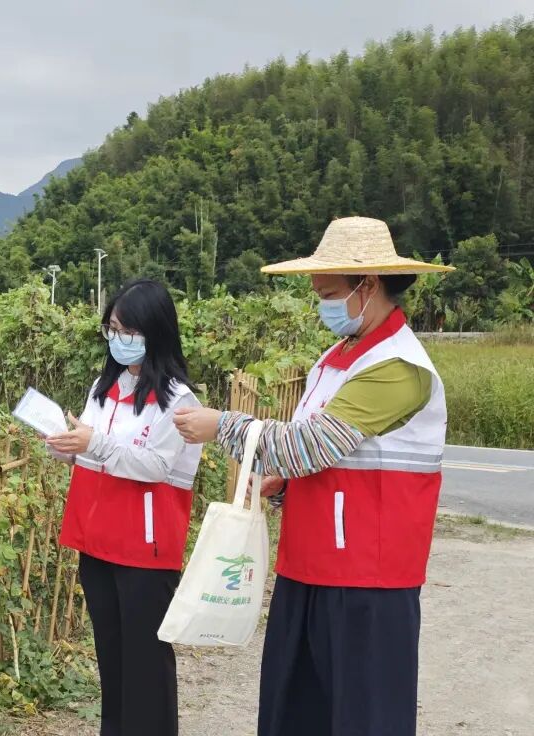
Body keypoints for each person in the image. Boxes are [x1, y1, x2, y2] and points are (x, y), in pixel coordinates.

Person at [174, 216, 454, 736]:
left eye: (328, 294)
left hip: (368, 579)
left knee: (363, 720)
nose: (322, 305)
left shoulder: (398, 367)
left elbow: (308, 445)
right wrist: (285, 486)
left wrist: (224, 426)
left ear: (368, 285)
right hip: (309, 564)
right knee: (296, 712)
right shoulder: (336, 358)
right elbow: (327, 458)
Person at [46, 279, 203, 736]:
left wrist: (93, 442)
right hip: (97, 541)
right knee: (111, 659)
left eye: (128, 330)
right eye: (112, 328)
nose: (118, 338)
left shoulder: (177, 400)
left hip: (144, 550)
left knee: (146, 664)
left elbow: (155, 465)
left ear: (155, 332)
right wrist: (65, 445)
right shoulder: (105, 387)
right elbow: (94, 452)